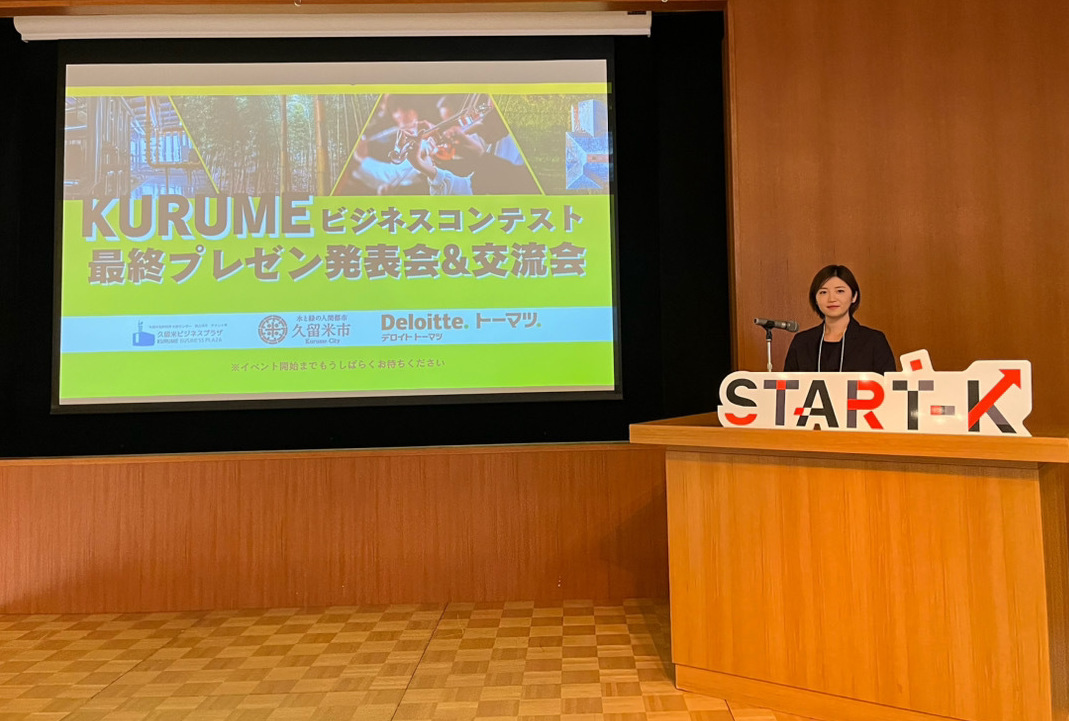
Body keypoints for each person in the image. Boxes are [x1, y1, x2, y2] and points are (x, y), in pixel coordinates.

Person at [783, 264, 896, 373]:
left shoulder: (873, 341)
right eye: (823, 292)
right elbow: (789, 384)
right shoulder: (802, 342)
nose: (832, 299)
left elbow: (888, 383)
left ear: (854, 296)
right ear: (815, 299)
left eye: (840, 291)